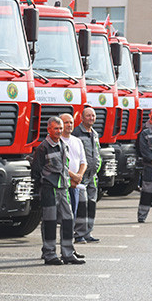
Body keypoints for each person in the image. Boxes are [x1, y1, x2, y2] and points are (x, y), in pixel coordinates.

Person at [30, 117, 85, 265]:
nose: (59, 131)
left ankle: (68, 253)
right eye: (56, 128)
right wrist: (40, 190)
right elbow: (36, 170)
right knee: (50, 222)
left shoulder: (63, 145)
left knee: (68, 220)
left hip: (63, 189)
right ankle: (49, 254)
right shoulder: (43, 147)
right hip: (49, 189)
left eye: (60, 128)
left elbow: (64, 168)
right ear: (49, 129)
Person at [72, 107, 101, 243]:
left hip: (92, 176)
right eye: (88, 116)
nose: (91, 118)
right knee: (81, 206)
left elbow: (97, 153)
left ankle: (88, 233)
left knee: (91, 205)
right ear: (82, 118)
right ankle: (78, 234)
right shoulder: (76, 133)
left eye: (93, 116)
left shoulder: (94, 134)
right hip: (81, 176)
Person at [59, 113, 87, 218]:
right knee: (64, 216)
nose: (69, 125)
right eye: (66, 122)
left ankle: (71, 234)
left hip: (75, 184)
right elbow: (60, 165)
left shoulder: (77, 141)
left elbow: (83, 162)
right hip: (64, 184)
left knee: (73, 214)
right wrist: (74, 176)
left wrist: (79, 176)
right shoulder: (58, 142)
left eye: (71, 122)